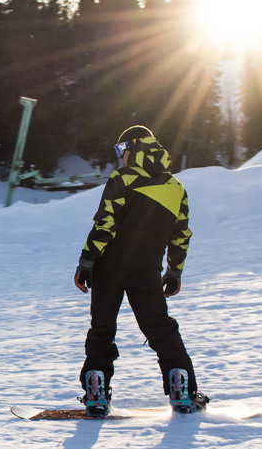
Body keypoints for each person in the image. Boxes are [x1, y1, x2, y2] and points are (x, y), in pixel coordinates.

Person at [73, 125, 207, 415]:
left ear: (136, 148)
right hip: (146, 273)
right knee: (161, 330)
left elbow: (105, 224)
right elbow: (180, 236)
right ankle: (182, 390)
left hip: (109, 270)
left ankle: (96, 393)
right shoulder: (176, 188)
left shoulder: (123, 178)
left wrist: (86, 262)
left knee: (102, 330)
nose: (121, 158)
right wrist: (174, 272)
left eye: (122, 150)